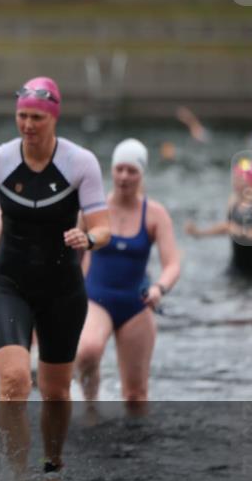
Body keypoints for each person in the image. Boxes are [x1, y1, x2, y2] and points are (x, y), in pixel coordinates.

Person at [0, 76, 110, 481]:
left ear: (53, 117)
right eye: (22, 116)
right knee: (14, 380)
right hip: (9, 283)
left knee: (56, 391)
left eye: (36, 117)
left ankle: (52, 465)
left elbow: (103, 227)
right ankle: (14, 476)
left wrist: (88, 237)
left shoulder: (81, 163)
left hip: (62, 289)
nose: (27, 125)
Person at [75, 139, 181, 410]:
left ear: (141, 174)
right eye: (119, 169)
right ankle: (90, 408)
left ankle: (135, 448)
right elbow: (72, 256)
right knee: (87, 352)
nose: (124, 176)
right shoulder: (92, 209)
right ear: (111, 170)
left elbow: (172, 264)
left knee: (135, 396)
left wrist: (159, 288)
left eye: (131, 171)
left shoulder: (155, 214)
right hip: (96, 299)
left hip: (137, 304)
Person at [185, 158, 252, 277]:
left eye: (239, 178)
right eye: (234, 178)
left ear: (251, 182)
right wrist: (199, 233)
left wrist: (240, 231)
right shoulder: (233, 200)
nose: (235, 182)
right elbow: (226, 228)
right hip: (236, 267)